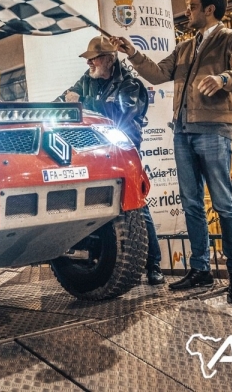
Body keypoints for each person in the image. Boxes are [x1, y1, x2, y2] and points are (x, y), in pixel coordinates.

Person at [113, 0, 232, 304]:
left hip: (214, 129)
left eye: (192, 6)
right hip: (182, 131)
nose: (187, 11)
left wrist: (223, 79)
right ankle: (201, 269)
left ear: (209, 9)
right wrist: (132, 52)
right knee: (192, 204)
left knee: (224, 203)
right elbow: (157, 73)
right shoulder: (185, 48)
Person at [56, 35, 165, 286]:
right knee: (95, 205)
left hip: (121, 154)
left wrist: (81, 103)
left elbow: (118, 114)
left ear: (108, 59)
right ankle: (100, 262)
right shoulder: (87, 80)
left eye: (93, 58)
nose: (89, 63)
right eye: (88, 59)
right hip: (93, 152)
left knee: (137, 205)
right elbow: (63, 99)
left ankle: (153, 264)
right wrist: (61, 103)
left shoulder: (130, 84)